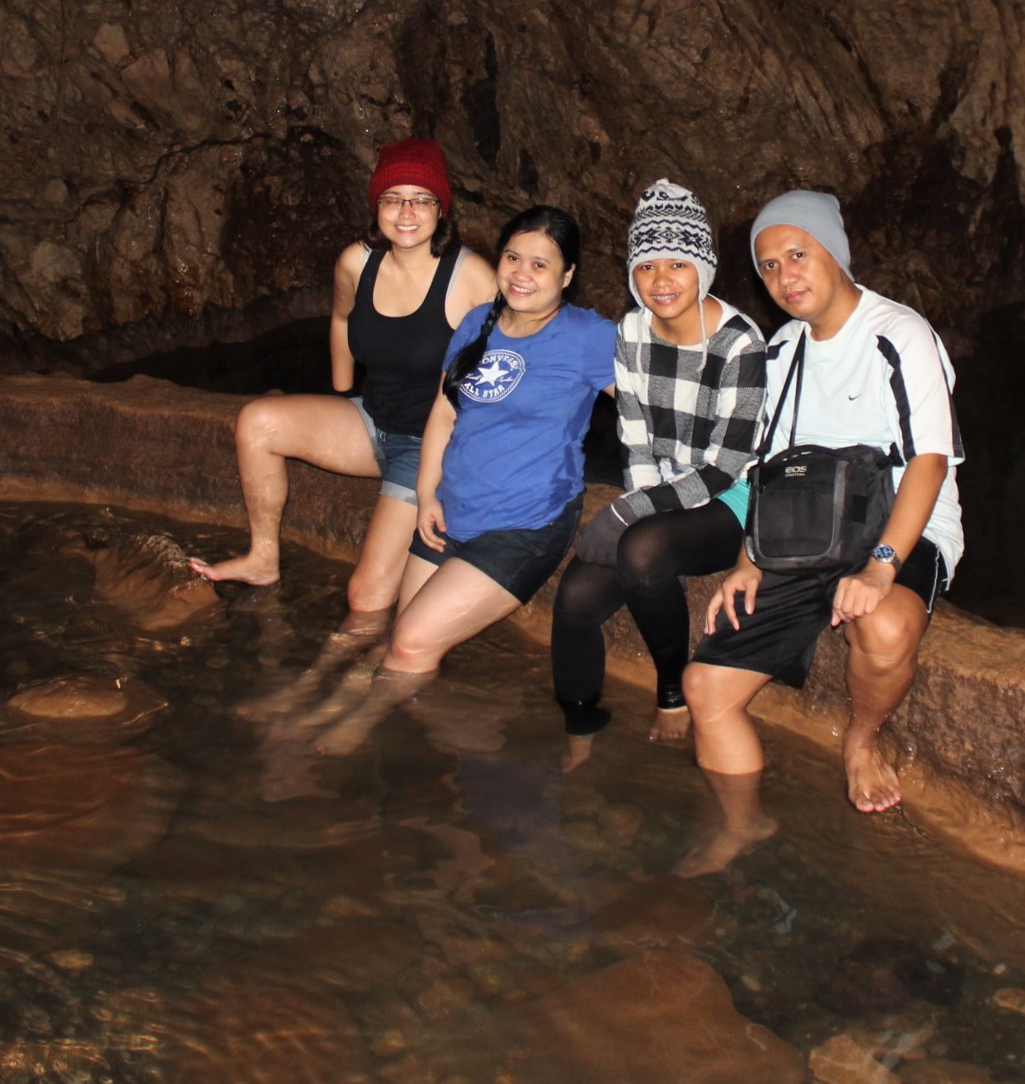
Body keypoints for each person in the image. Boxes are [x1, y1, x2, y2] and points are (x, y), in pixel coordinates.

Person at [680, 191, 964, 870]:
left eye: (797, 255)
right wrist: (750, 557)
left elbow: (928, 460)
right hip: (805, 530)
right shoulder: (781, 350)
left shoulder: (898, 334)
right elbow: (769, 467)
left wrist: (882, 565)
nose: (785, 277)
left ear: (834, 251)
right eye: (770, 266)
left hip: (898, 524)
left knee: (886, 625)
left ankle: (860, 739)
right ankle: (742, 823)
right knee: (704, 688)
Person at [298, 205, 615, 754]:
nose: (522, 272)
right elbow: (443, 415)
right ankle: (332, 703)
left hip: (524, 525)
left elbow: (653, 402)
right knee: (398, 631)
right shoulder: (477, 322)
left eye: (541, 265)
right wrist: (425, 495)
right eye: (513, 257)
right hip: (453, 507)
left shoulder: (589, 337)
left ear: (567, 276)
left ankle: (358, 727)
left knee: (412, 645)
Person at [191, 137, 496, 612]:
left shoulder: (472, 276)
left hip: (430, 447)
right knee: (257, 421)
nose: (406, 212)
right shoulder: (357, 261)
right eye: (393, 199)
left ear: (442, 208)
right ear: (376, 205)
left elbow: (515, 363)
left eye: (421, 199)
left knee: (366, 597)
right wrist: (341, 391)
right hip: (373, 421)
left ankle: (378, 677)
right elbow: (340, 318)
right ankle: (263, 558)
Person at [549, 180, 765, 751]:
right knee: (573, 600)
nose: (661, 281)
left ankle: (673, 691)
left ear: (703, 268)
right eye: (646, 267)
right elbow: (637, 438)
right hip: (668, 492)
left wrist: (631, 516)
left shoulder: (740, 344)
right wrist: (640, 505)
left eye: (677, 264)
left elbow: (726, 466)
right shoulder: (632, 331)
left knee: (641, 552)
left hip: (732, 499)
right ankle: (578, 727)